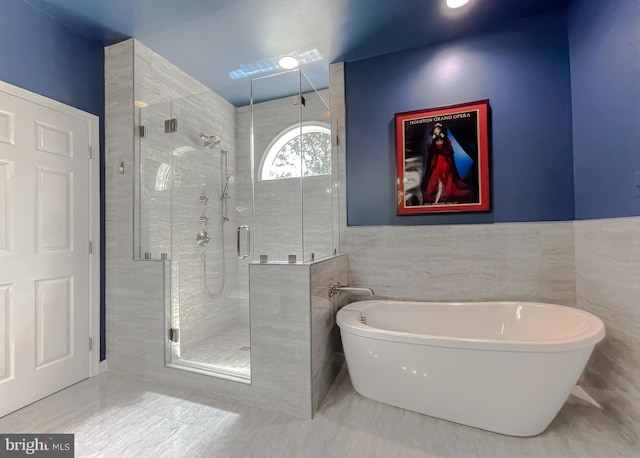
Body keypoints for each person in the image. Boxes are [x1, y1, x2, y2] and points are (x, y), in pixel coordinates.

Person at [422, 123, 470, 204]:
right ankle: (436, 196)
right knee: (434, 178)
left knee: (447, 178)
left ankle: (443, 196)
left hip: (445, 162)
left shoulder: (447, 141)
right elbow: (431, 152)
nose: (436, 132)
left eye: (437, 130)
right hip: (437, 163)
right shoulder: (434, 142)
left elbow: (449, 151)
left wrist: (441, 142)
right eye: (435, 131)